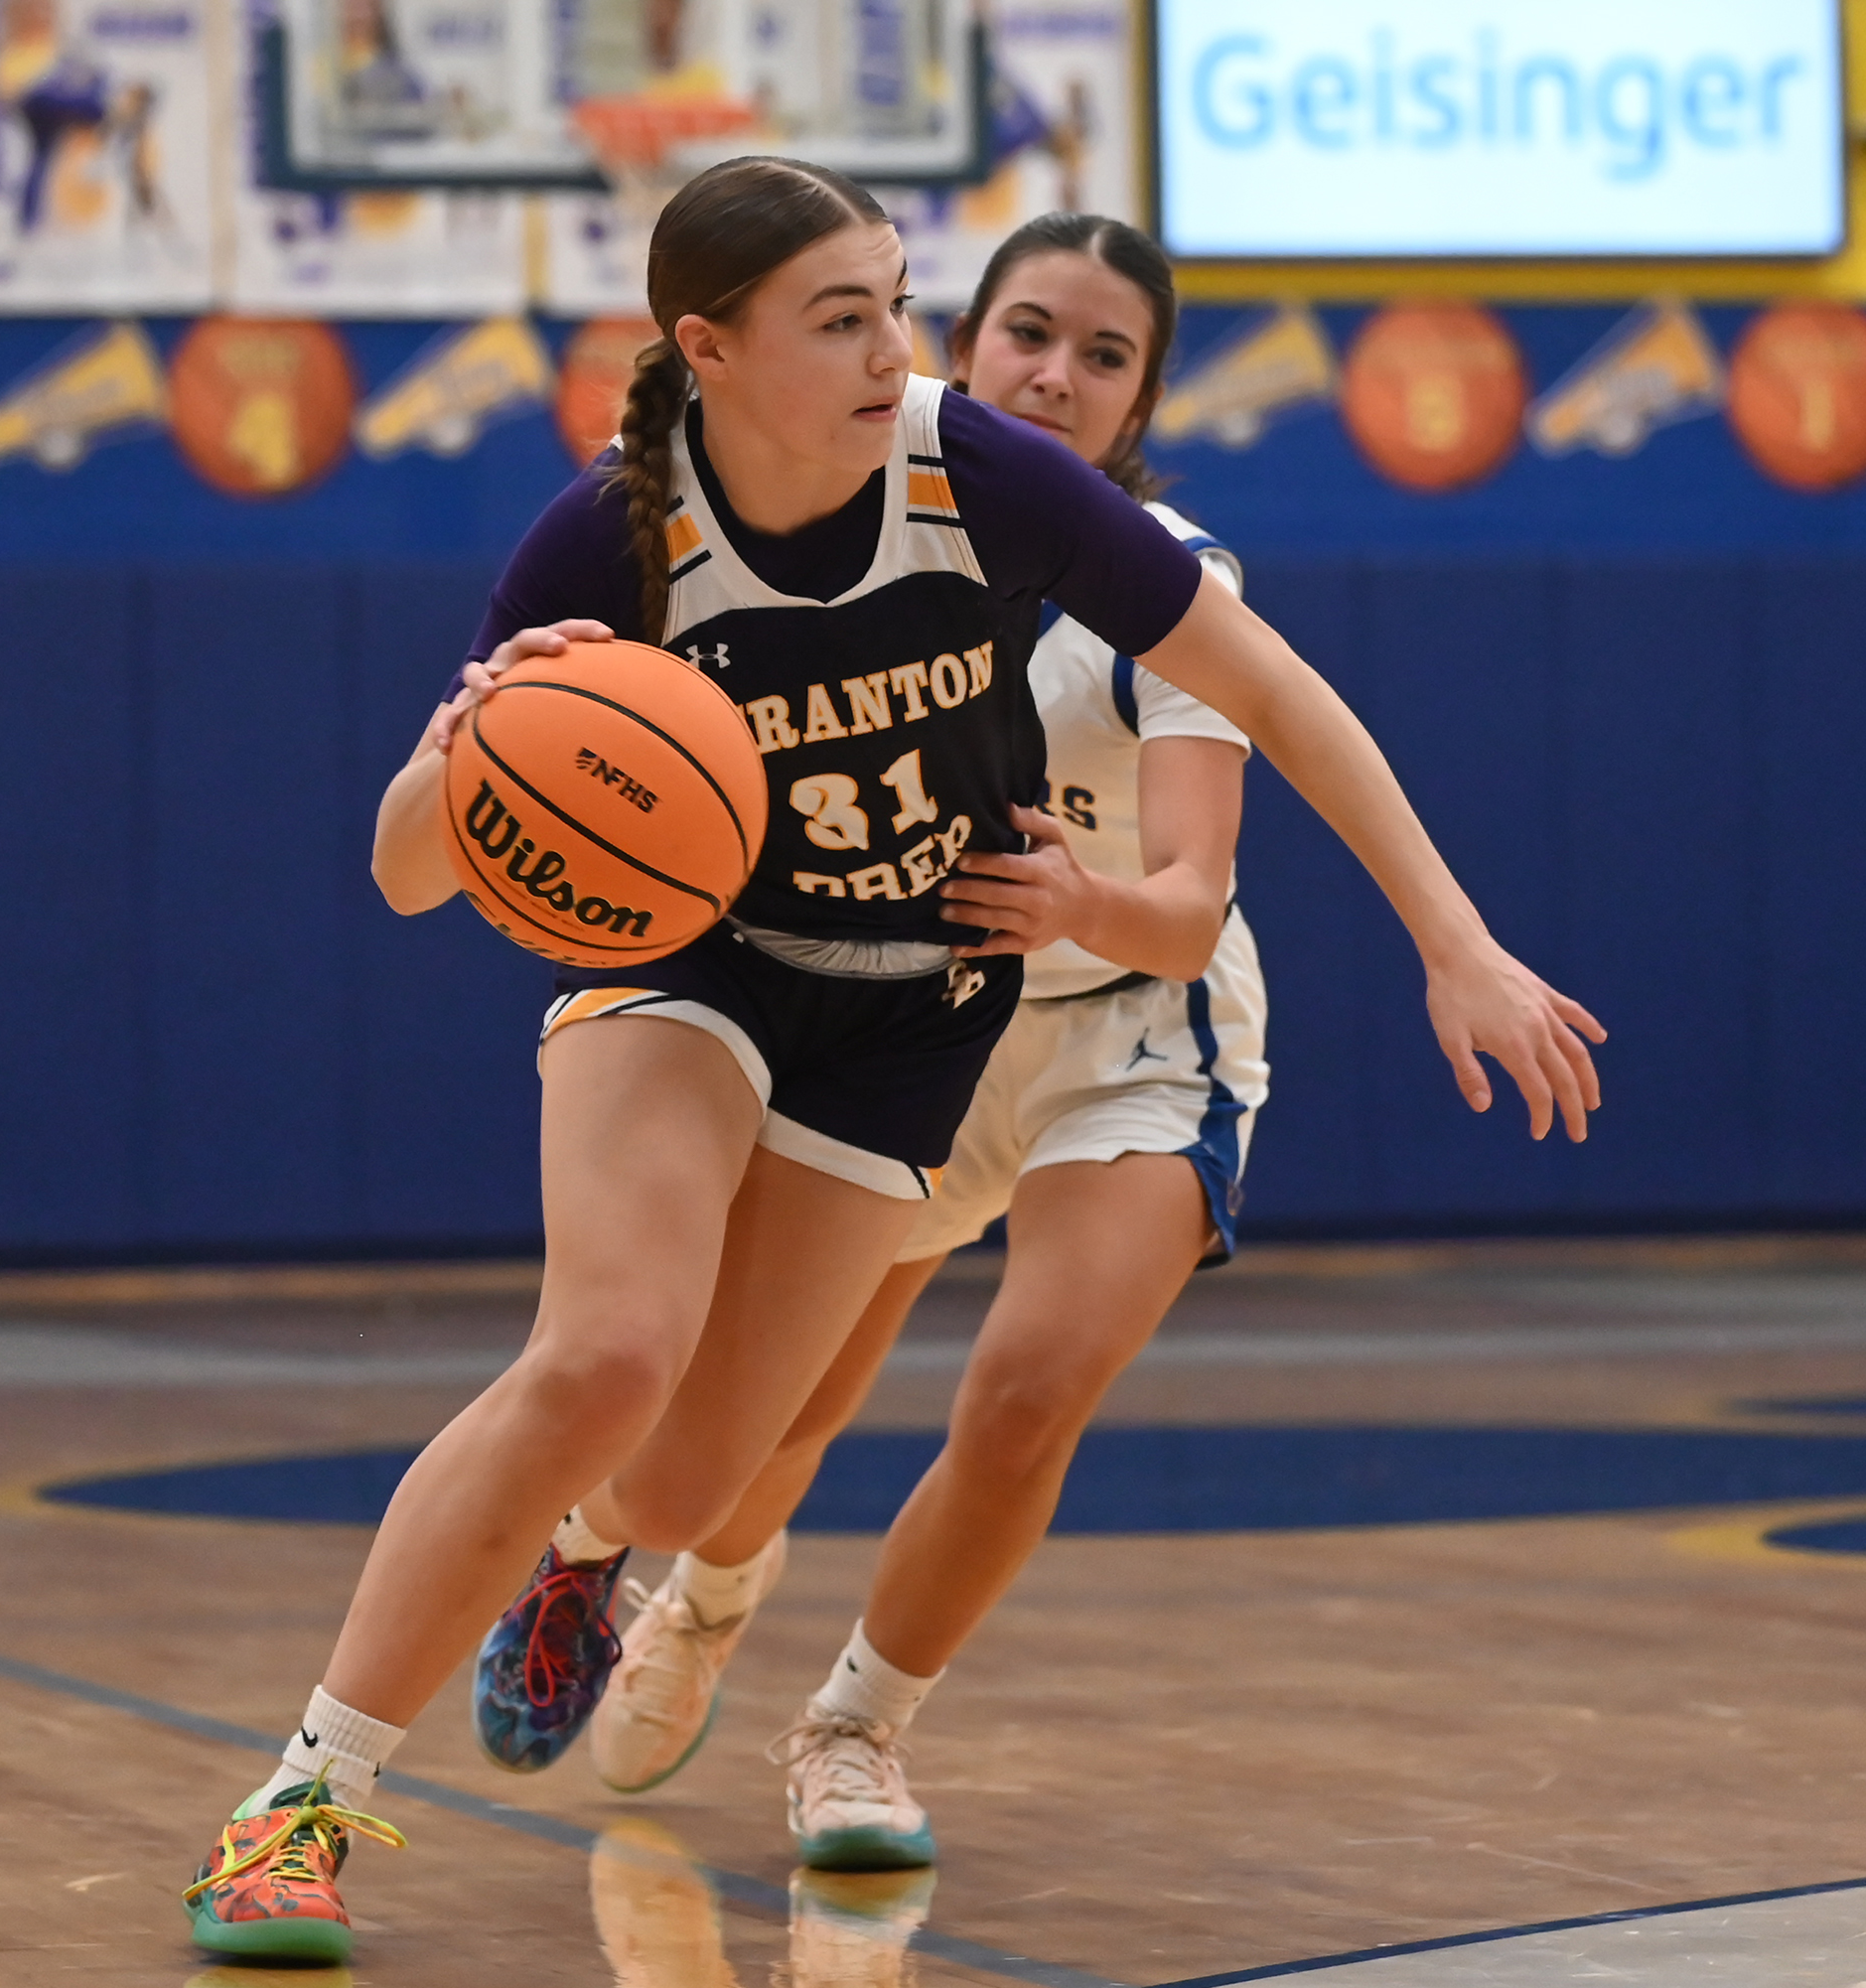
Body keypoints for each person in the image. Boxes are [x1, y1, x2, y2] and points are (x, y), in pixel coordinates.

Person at [182, 157, 1602, 1966]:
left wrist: (1455, 940)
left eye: (899, 306)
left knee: (687, 1490)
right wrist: (469, 740)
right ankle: (296, 1808)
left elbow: (1273, 685)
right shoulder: (609, 536)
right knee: (604, 1352)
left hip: (913, 1006)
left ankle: (587, 1551)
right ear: (709, 347)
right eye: (842, 318)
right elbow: (403, 874)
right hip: (693, 964)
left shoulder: (978, 476)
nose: (890, 351)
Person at [578, 211, 1290, 1877]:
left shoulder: (1170, 584)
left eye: (1105, 355)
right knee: (775, 1420)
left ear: (1140, 403)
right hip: (916, 1020)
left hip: (1127, 1028)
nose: (1057, 374)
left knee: (1029, 1391)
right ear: (963, 344)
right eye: (1030, 331)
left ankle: (854, 1728)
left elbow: (1188, 909)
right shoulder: (856, 523)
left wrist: (1082, 901)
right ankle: (709, 1596)